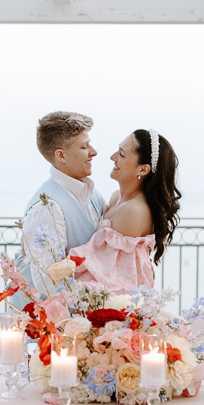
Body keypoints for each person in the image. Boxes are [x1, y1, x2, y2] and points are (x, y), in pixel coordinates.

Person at [70, 129, 181, 293]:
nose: (112, 157)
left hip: (119, 301)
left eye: (121, 154)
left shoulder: (133, 211)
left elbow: (102, 270)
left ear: (143, 170)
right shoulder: (117, 198)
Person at [17, 111, 106, 295]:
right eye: (84, 147)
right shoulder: (47, 207)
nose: (94, 152)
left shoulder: (93, 194)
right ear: (61, 155)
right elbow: (48, 282)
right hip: (49, 320)